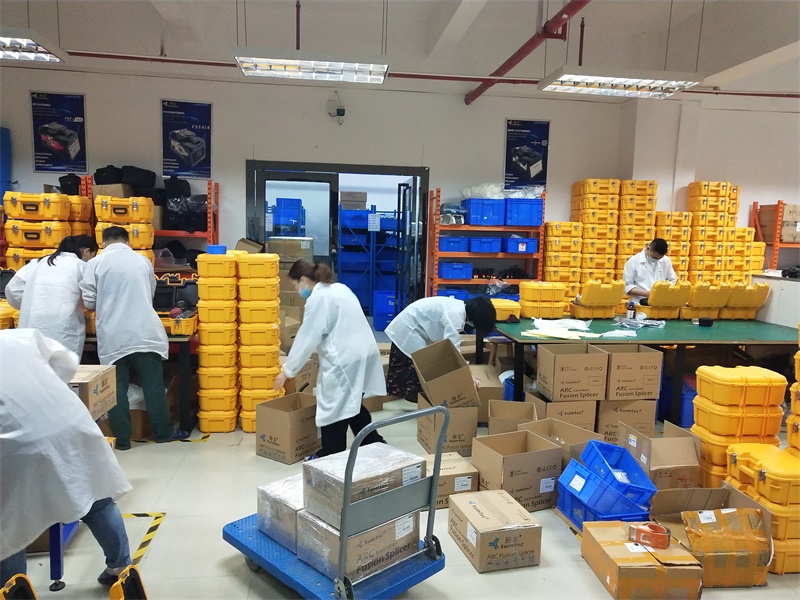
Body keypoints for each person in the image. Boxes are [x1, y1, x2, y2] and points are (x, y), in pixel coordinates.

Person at [0, 329, 132, 588]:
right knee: (96, 498)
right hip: (70, 422)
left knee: (8, 524)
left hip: (15, 441)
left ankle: (13, 590)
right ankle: (121, 567)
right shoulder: (20, 337)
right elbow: (68, 365)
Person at [80, 226, 188, 450]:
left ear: (103, 243)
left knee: (115, 389)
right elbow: (150, 293)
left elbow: (89, 301)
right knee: (153, 384)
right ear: (128, 242)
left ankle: (121, 441)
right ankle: (163, 433)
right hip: (144, 331)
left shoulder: (95, 264)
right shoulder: (142, 261)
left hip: (113, 335)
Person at [273, 260, 386, 459]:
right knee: (351, 402)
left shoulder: (318, 298)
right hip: (364, 354)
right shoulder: (339, 288)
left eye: (296, 285)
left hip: (344, 361)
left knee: (333, 408)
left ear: (303, 279)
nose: (298, 291)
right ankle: (374, 443)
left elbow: (307, 337)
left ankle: (331, 454)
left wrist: (287, 371)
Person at [384, 295, 496, 403]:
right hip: (408, 330)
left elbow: (449, 347)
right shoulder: (455, 315)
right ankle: (418, 400)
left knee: (418, 368)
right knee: (417, 369)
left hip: (413, 328)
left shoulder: (459, 308)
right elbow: (452, 350)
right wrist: (468, 375)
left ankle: (418, 399)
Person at [4, 235, 98, 356]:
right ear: (86, 252)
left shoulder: (38, 262)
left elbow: (13, 289)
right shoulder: (80, 266)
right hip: (63, 328)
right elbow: (91, 298)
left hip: (32, 324)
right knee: (62, 364)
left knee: (34, 361)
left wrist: (30, 302)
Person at [623, 238, 678, 304]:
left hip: (660, 303)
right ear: (648, 248)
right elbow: (627, 286)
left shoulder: (665, 260)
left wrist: (664, 290)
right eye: (654, 257)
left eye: (659, 258)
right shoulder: (633, 262)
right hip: (639, 304)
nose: (656, 260)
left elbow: (673, 280)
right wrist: (647, 293)